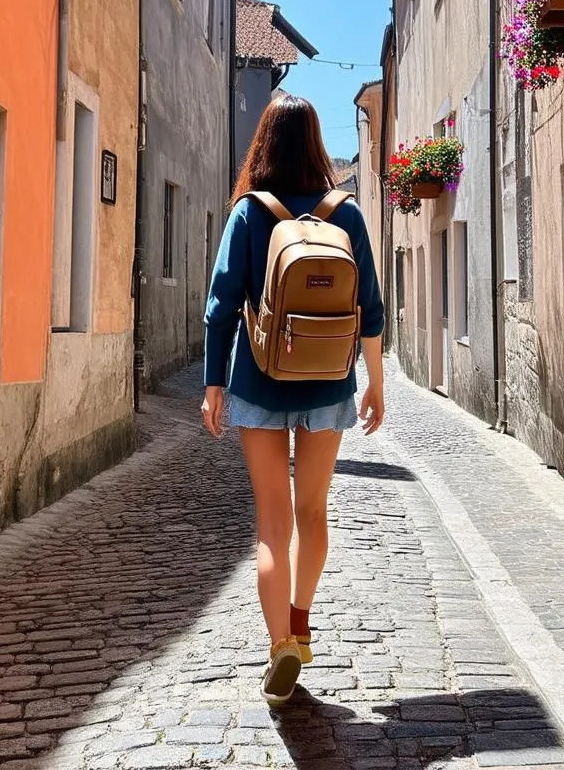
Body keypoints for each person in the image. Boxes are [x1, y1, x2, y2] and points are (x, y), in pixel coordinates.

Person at [202, 95, 385, 705]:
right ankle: (302, 621)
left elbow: (220, 308)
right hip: (330, 383)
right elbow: (372, 313)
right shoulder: (346, 214)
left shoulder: (249, 214)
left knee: (272, 525)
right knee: (313, 513)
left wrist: (213, 386)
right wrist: (376, 384)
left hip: (258, 382)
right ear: (314, 143)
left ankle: (279, 644)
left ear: (264, 142)